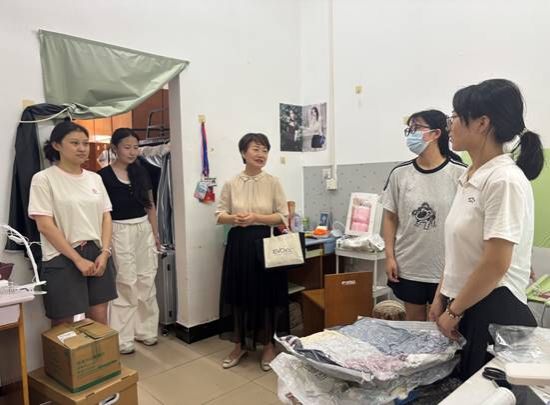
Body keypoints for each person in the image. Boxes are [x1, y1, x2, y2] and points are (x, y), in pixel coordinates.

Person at [429, 79, 545, 380]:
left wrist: (453, 311)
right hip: (465, 303)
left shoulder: (504, 179)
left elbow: (495, 264)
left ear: (482, 123)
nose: (450, 124)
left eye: (456, 116)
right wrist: (441, 296)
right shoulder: (470, 176)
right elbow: (460, 252)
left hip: (493, 309)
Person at [28, 121, 117, 325]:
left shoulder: (95, 179)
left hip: (96, 252)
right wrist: (77, 259)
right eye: (75, 143)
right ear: (57, 145)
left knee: (99, 317)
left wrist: (105, 253)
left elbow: (106, 216)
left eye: (85, 143)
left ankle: (101, 352)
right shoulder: (43, 179)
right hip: (62, 255)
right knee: (63, 324)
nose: (82, 148)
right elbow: (44, 225)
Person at [382, 110, 467, 321]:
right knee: (414, 329)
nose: (411, 133)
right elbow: (390, 217)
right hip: (409, 265)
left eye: (416, 128)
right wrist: (390, 256)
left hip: (446, 268)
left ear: (436, 133)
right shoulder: (400, 174)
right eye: (409, 129)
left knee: (444, 328)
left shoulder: (460, 173)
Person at [216, 133, 290, 372]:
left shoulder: (273, 182)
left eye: (265, 150)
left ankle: (268, 346)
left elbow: (282, 216)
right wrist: (234, 218)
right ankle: (239, 345)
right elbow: (219, 215)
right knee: (239, 294)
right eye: (256, 149)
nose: (261, 154)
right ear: (243, 153)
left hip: (265, 242)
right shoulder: (231, 183)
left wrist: (256, 217)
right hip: (239, 243)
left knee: (266, 295)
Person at [98, 128, 160, 355]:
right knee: (125, 282)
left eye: (135, 147)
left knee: (147, 279)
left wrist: (155, 233)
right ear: (115, 148)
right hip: (118, 230)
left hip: (143, 228)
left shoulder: (142, 172)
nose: (133, 152)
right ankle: (123, 338)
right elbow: (102, 213)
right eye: (127, 147)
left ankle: (146, 331)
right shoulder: (102, 176)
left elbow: (150, 205)